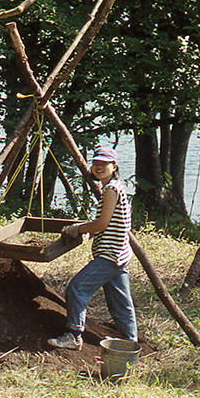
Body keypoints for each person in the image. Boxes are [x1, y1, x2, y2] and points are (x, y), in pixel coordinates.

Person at [48, 146, 138, 349]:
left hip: (110, 254)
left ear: (114, 166)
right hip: (120, 253)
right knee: (120, 300)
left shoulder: (111, 190)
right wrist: (90, 229)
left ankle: (73, 335)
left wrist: (78, 229)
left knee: (77, 288)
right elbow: (110, 222)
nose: (98, 167)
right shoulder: (116, 187)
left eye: (104, 164)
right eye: (96, 163)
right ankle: (130, 342)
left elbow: (102, 224)